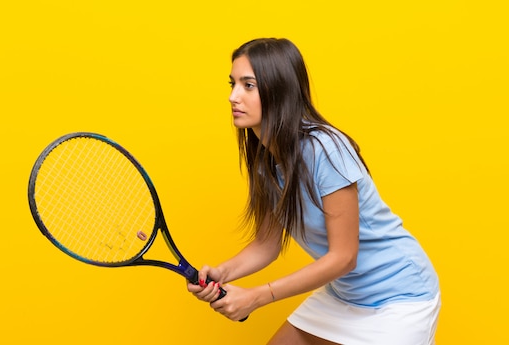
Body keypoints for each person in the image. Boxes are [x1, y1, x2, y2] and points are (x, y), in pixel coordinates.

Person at [186, 38, 441, 345]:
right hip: (344, 293)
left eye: (248, 85)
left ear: (278, 90)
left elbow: (344, 257)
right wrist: (223, 272)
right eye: (232, 84)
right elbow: (267, 243)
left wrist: (258, 296)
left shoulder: (326, 149)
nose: (232, 96)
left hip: (399, 296)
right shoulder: (266, 161)